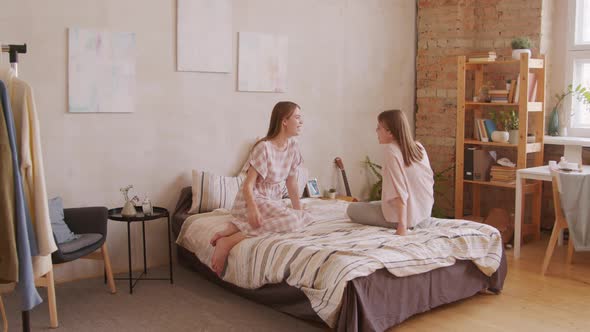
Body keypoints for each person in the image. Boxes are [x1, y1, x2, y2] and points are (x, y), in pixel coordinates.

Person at [209, 101, 311, 276]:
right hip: (252, 199)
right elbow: (248, 185)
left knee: (304, 217)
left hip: (272, 199)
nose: (301, 122)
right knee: (293, 221)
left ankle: (238, 226)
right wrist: (253, 210)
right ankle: (228, 241)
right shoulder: (264, 147)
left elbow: (291, 183)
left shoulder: (293, 146)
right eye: (297, 118)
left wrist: (298, 209)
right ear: (284, 121)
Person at [347, 109, 434, 235]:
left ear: (390, 132)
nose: (376, 131)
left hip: (407, 218)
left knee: (352, 209)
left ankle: (403, 222)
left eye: (379, 128)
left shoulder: (391, 151)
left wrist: (402, 227)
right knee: (372, 204)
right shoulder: (419, 147)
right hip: (424, 216)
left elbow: (399, 192)